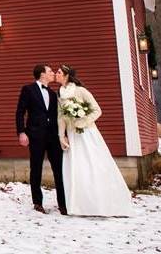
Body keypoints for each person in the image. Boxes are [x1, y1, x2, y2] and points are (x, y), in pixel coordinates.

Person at [55, 64, 134, 217]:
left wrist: (82, 121)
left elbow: (97, 110)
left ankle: (101, 202)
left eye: (58, 72)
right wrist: (61, 135)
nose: (56, 74)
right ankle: (80, 205)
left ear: (66, 75)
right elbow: (61, 117)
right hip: (72, 135)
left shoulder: (80, 91)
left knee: (92, 165)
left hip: (87, 133)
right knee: (77, 167)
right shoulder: (59, 94)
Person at [15, 64, 66, 214]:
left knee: (59, 170)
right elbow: (20, 112)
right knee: (36, 168)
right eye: (50, 71)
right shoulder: (28, 89)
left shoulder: (53, 93)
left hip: (53, 137)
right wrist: (21, 132)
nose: (52, 73)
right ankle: (37, 202)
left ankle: (63, 204)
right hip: (36, 135)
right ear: (42, 74)